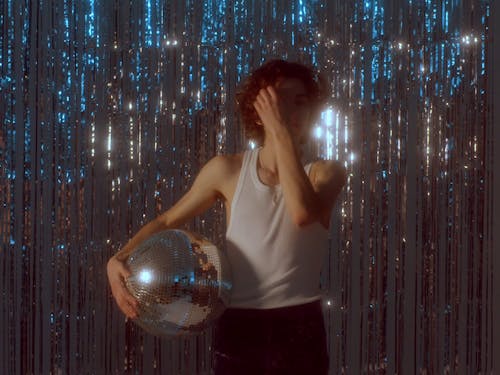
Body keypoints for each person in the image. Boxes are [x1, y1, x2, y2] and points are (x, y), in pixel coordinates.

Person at [107, 59, 347, 375]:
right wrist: (117, 260)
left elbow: (302, 213)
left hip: (300, 325)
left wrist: (280, 129)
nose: (289, 111)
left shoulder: (325, 173)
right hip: (239, 326)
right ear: (257, 110)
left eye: (299, 102)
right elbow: (167, 221)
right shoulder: (228, 170)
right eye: (278, 102)